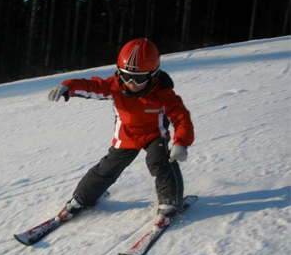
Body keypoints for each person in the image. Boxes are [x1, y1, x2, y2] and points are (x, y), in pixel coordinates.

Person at [47, 38, 194, 228]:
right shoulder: (115, 87)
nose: (131, 83)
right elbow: (91, 86)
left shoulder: (163, 94)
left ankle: (169, 203)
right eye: (126, 76)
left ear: (153, 75)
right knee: (107, 169)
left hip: (153, 135)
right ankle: (82, 199)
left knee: (161, 162)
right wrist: (69, 86)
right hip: (126, 137)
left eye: (139, 78)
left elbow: (182, 117)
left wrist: (181, 142)